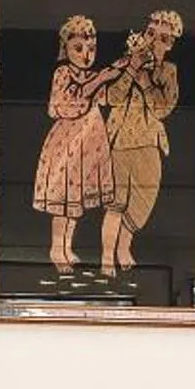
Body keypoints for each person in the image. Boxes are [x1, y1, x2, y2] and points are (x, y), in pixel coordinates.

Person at [31, 16, 125, 271]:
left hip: (91, 142)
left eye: (91, 49)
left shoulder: (93, 74)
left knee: (76, 201)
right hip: (68, 142)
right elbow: (58, 107)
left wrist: (117, 73)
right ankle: (56, 249)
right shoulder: (62, 73)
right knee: (63, 199)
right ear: (66, 48)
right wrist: (97, 81)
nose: (86, 55)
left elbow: (106, 99)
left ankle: (67, 247)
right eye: (79, 49)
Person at [99, 10, 183, 279]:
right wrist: (132, 68)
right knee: (115, 202)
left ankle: (124, 247)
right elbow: (109, 98)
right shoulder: (124, 63)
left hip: (149, 142)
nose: (154, 41)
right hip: (120, 140)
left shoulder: (168, 71)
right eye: (150, 34)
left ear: (169, 43)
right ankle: (106, 259)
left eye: (162, 38)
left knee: (143, 201)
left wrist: (146, 81)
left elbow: (163, 109)